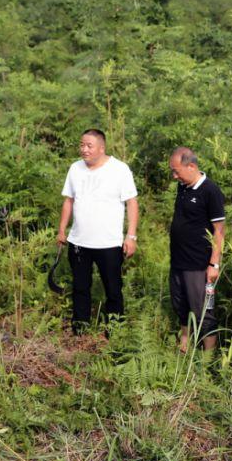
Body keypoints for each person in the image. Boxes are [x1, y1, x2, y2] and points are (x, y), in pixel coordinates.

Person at [56, 129, 139, 334]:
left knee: (113, 289)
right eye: (82, 145)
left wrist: (131, 235)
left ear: (102, 148)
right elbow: (69, 200)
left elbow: (132, 203)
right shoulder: (75, 169)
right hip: (79, 241)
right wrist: (61, 230)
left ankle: (115, 331)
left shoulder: (119, 169)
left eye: (89, 146)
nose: (84, 149)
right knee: (80, 288)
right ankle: (80, 329)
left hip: (109, 243)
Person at [167, 147, 226, 352]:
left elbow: (219, 231)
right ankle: (185, 344)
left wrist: (214, 264)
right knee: (180, 305)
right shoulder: (183, 187)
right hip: (178, 261)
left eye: (177, 171)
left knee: (203, 311)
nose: (174, 176)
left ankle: (208, 359)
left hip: (199, 265)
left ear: (191, 166)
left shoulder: (211, 191)